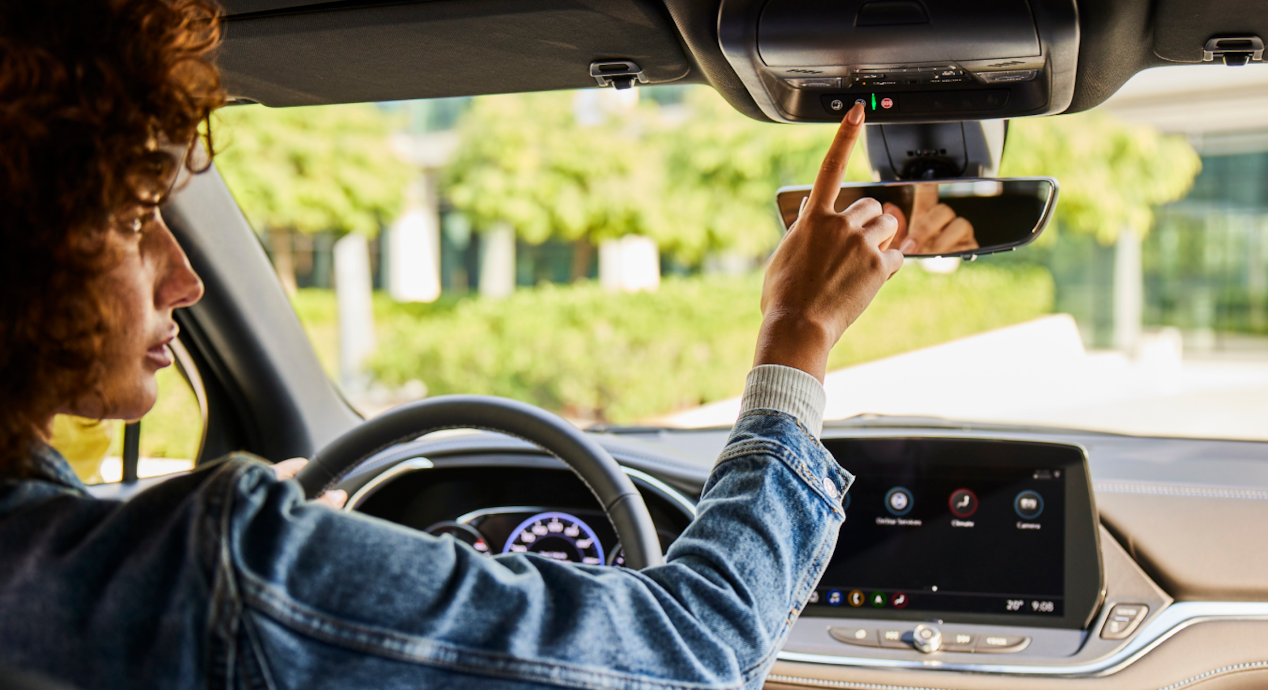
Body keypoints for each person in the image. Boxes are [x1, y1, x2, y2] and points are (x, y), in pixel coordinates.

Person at [0, 2, 904, 688]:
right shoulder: (217, 567)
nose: (185, 280)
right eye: (134, 218)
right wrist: (798, 337)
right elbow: (695, 647)